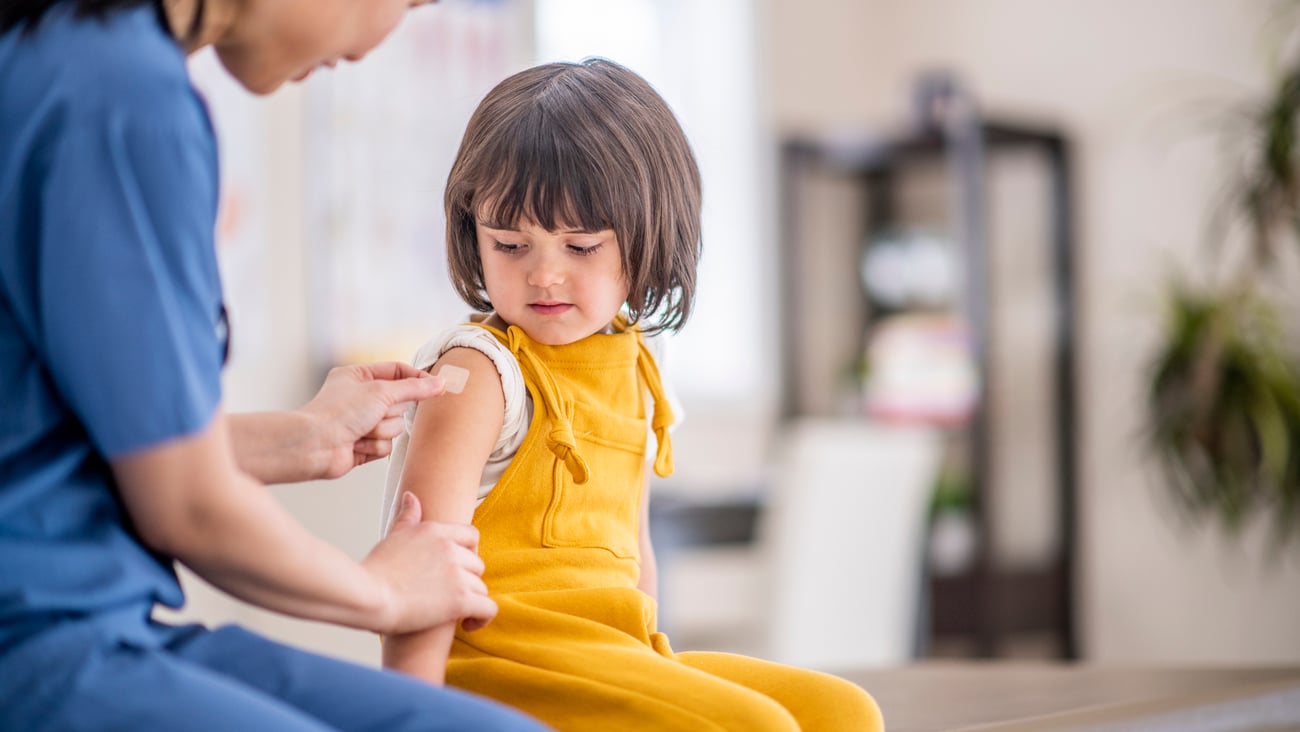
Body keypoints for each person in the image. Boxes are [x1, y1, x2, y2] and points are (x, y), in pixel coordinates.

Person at [0, 0, 550, 730]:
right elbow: (185, 503)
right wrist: (380, 590)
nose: (383, 39)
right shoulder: (121, 97)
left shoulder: (75, 55)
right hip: (41, 640)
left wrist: (296, 437)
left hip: (97, 619)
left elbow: (69, 437)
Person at [379, 58, 886, 731]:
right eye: (510, 244)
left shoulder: (640, 359)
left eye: (581, 246)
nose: (544, 275)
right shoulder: (477, 372)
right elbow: (418, 567)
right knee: (759, 728)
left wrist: (655, 668)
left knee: (843, 711)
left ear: (647, 240)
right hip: (500, 666)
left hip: (611, 652)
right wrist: (409, 715)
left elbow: (634, 552)